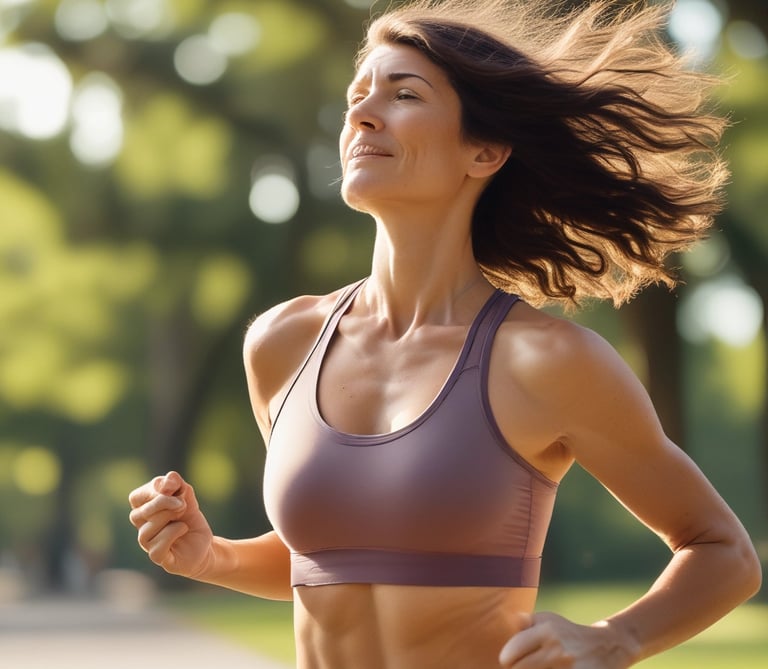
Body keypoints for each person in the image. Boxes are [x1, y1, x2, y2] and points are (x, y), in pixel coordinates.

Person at [128, 1, 762, 667]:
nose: (363, 113)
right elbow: (336, 551)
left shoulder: (545, 361)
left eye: (404, 94)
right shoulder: (283, 345)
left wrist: (614, 636)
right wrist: (212, 555)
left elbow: (723, 550)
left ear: (483, 150)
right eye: (358, 95)